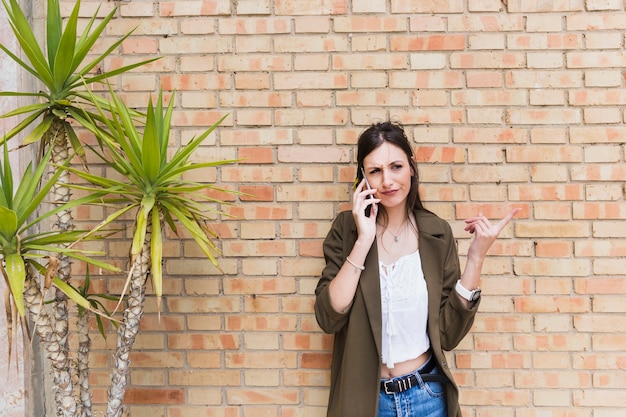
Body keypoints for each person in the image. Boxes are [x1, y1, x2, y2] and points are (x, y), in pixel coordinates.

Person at [314, 121, 520, 417]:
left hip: (427, 398)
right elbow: (329, 316)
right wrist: (364, 239)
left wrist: (476, 259)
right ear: (363, 179)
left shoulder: (436, 233)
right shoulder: (346, 231)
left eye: (396, 166)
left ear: (411, 167)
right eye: (375, 171)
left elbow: (448, 334)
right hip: (366, 402)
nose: (387, 181)